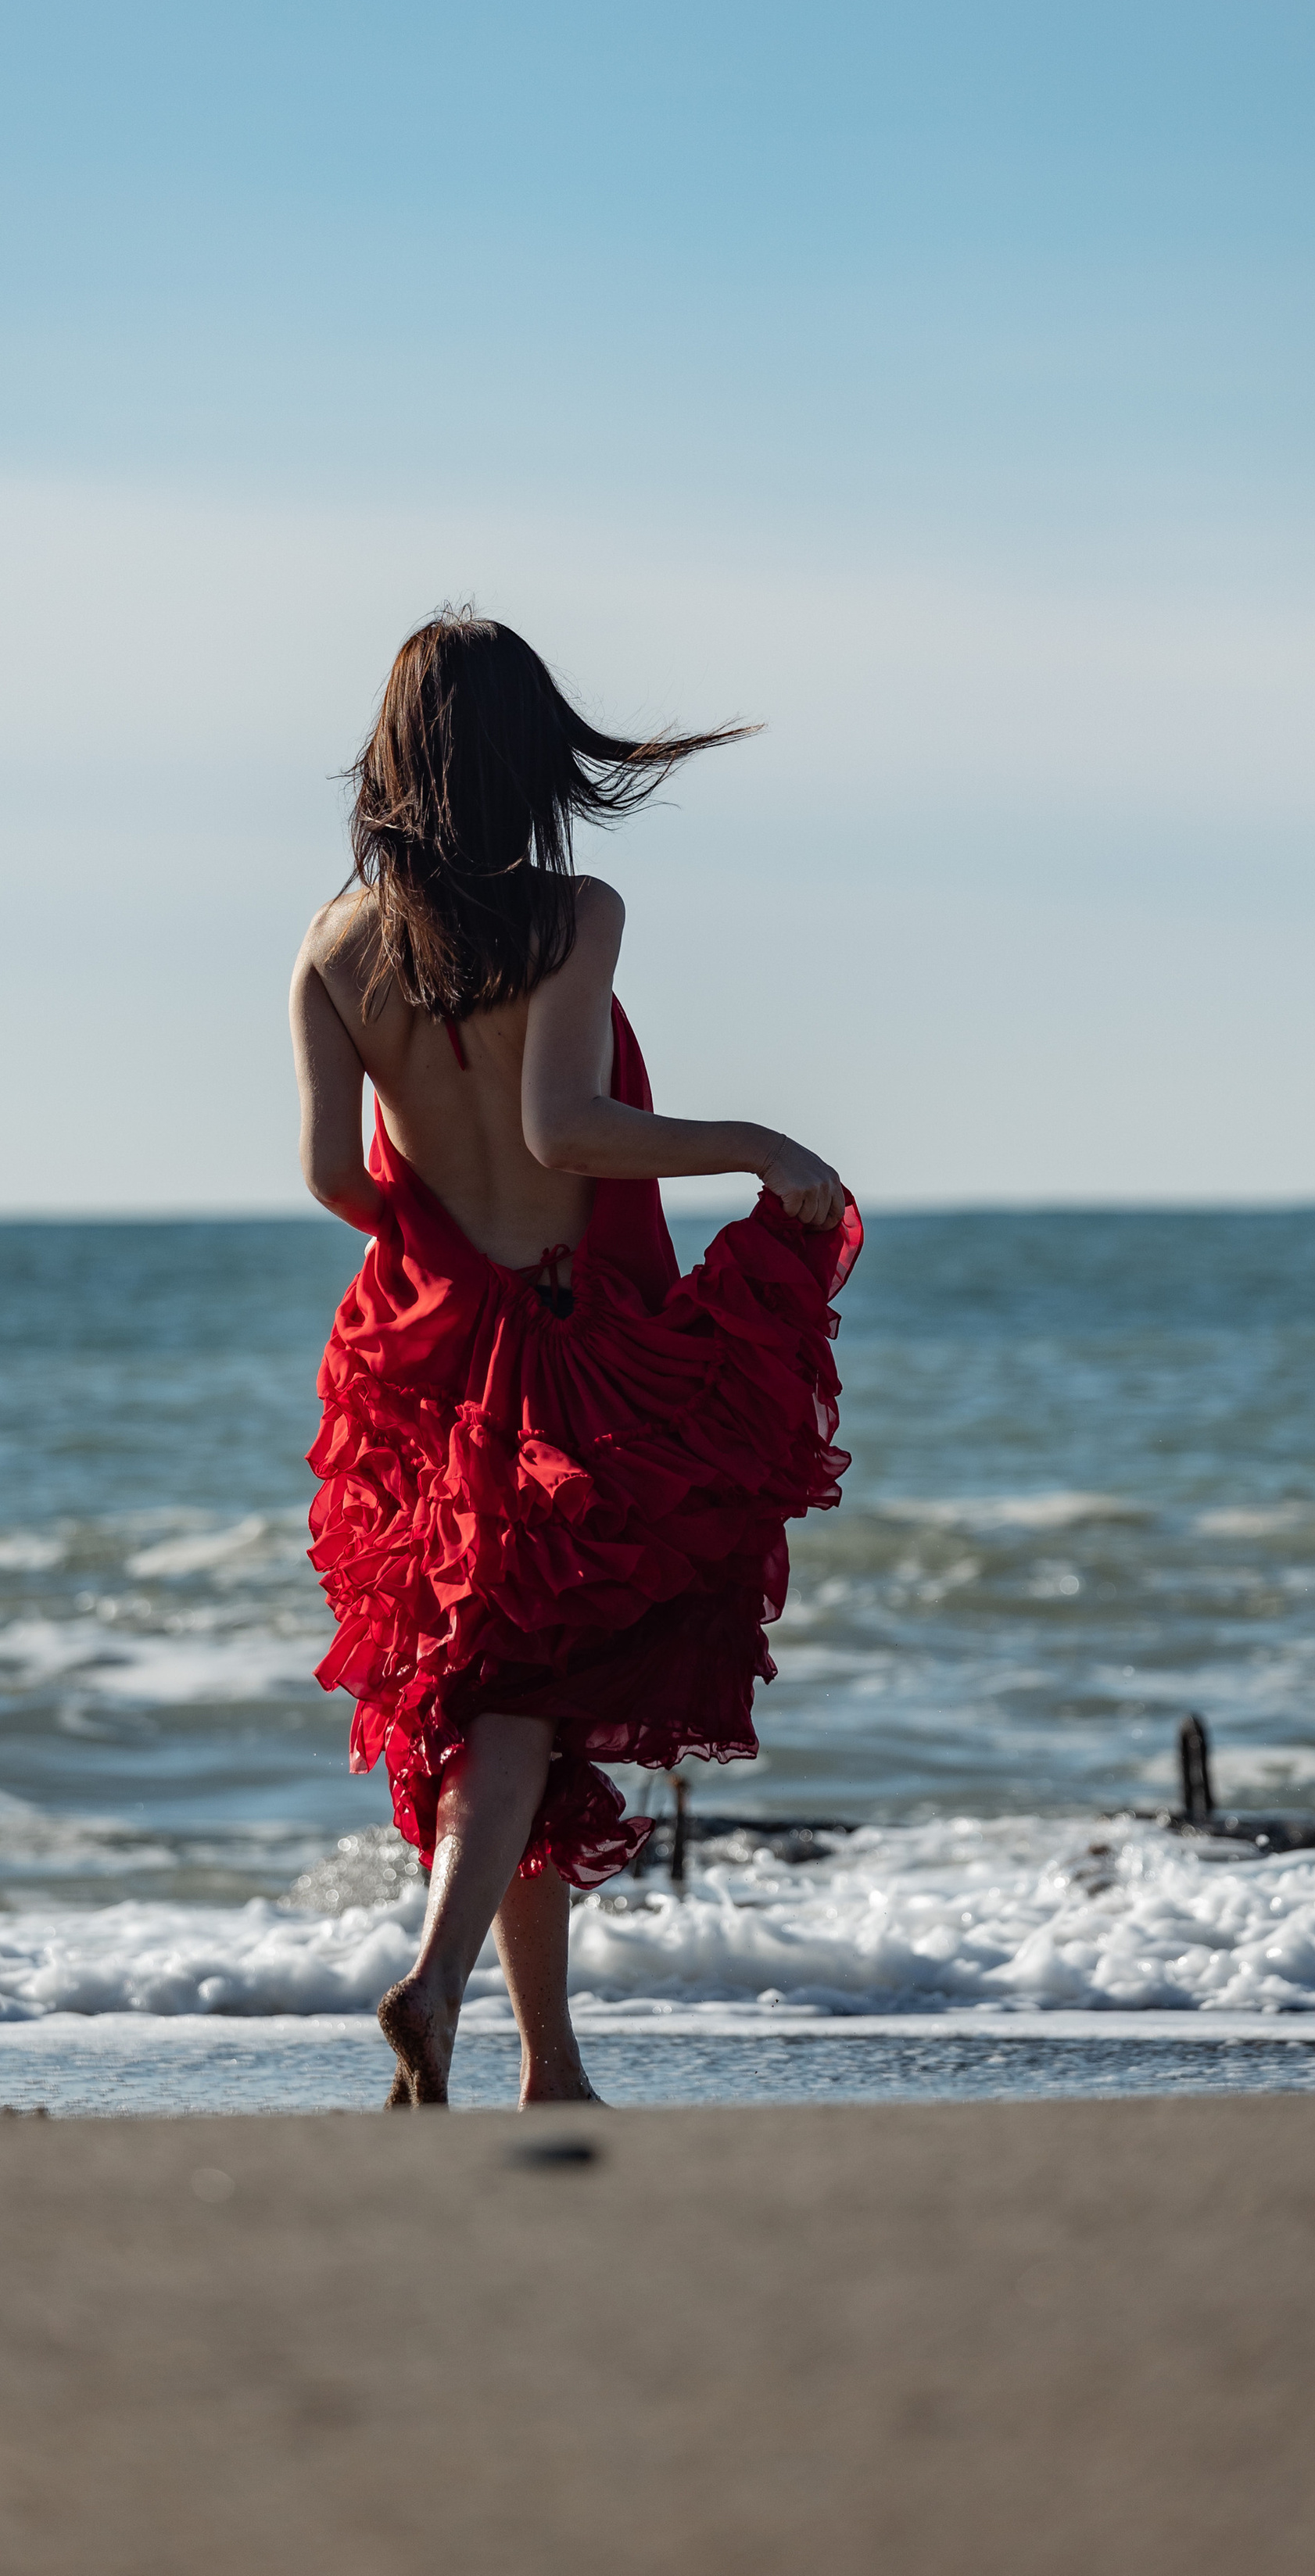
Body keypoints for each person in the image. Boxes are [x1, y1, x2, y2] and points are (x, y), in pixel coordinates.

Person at [291, 611, 860, 2107]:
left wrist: (437, 1221)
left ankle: (547, 2063)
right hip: (568, 1342)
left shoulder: (333, 947)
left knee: (499, 1697)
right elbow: (565, 1129)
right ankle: (432, 1990)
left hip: (429, 1357)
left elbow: (338, 1186)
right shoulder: (572, 913)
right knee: (522, 1696)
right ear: (531, 761)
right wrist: (761, 1140)